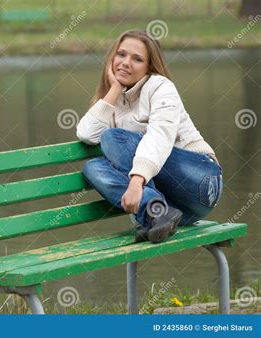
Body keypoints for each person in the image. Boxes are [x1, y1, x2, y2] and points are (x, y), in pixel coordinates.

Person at [76, 29, 223, 243]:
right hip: (180, 209)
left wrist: (136, 183)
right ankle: (156, 211)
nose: (126, 62)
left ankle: (154, 207)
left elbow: (159, 138)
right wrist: (114, 89)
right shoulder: (115, 100)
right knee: (92, 168)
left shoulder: (161, 88)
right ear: (111, 58)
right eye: (121, 54)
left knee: (112, 138)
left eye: (137, 59)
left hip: (202, 181)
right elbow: (86, 134)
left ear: (149, 67)